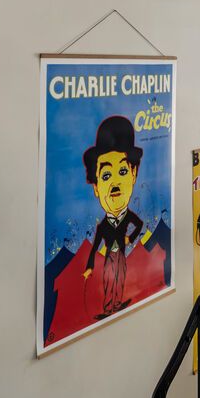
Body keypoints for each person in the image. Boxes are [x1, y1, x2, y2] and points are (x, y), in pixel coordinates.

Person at [82, 116, 145, 317]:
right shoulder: (102, 227)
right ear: (96, 187)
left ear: (134, 174)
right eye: (107, 175)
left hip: (121, 255)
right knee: (109, 279)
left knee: (121, 277)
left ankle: (116, 304)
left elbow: (139, 224)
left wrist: (130, 238)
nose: (115, 183)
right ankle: (108, 307)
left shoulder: (128, 217)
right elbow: (94, 248)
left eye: (123, 171)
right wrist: (89, 267)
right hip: (111, 255)